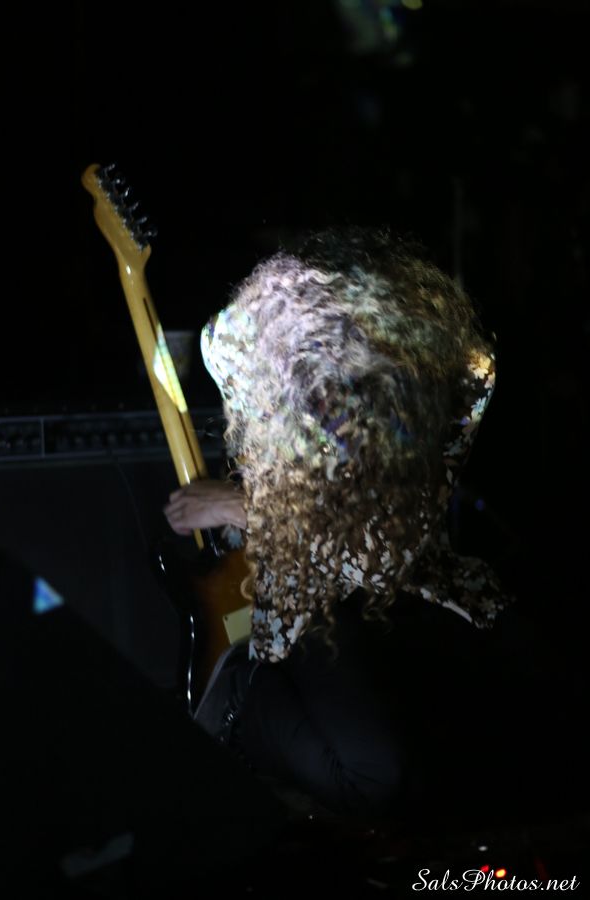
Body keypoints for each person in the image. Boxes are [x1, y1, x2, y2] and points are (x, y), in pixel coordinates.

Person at [163, 227, 575, 826]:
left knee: (547, 707)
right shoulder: (240, 344)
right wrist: (258, 505)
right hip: (309, 589)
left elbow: (389, 549)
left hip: (412, 576)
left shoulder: (465, 375)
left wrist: (242, 506)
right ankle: (244, 705)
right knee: (375, 779)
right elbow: (280, 478)